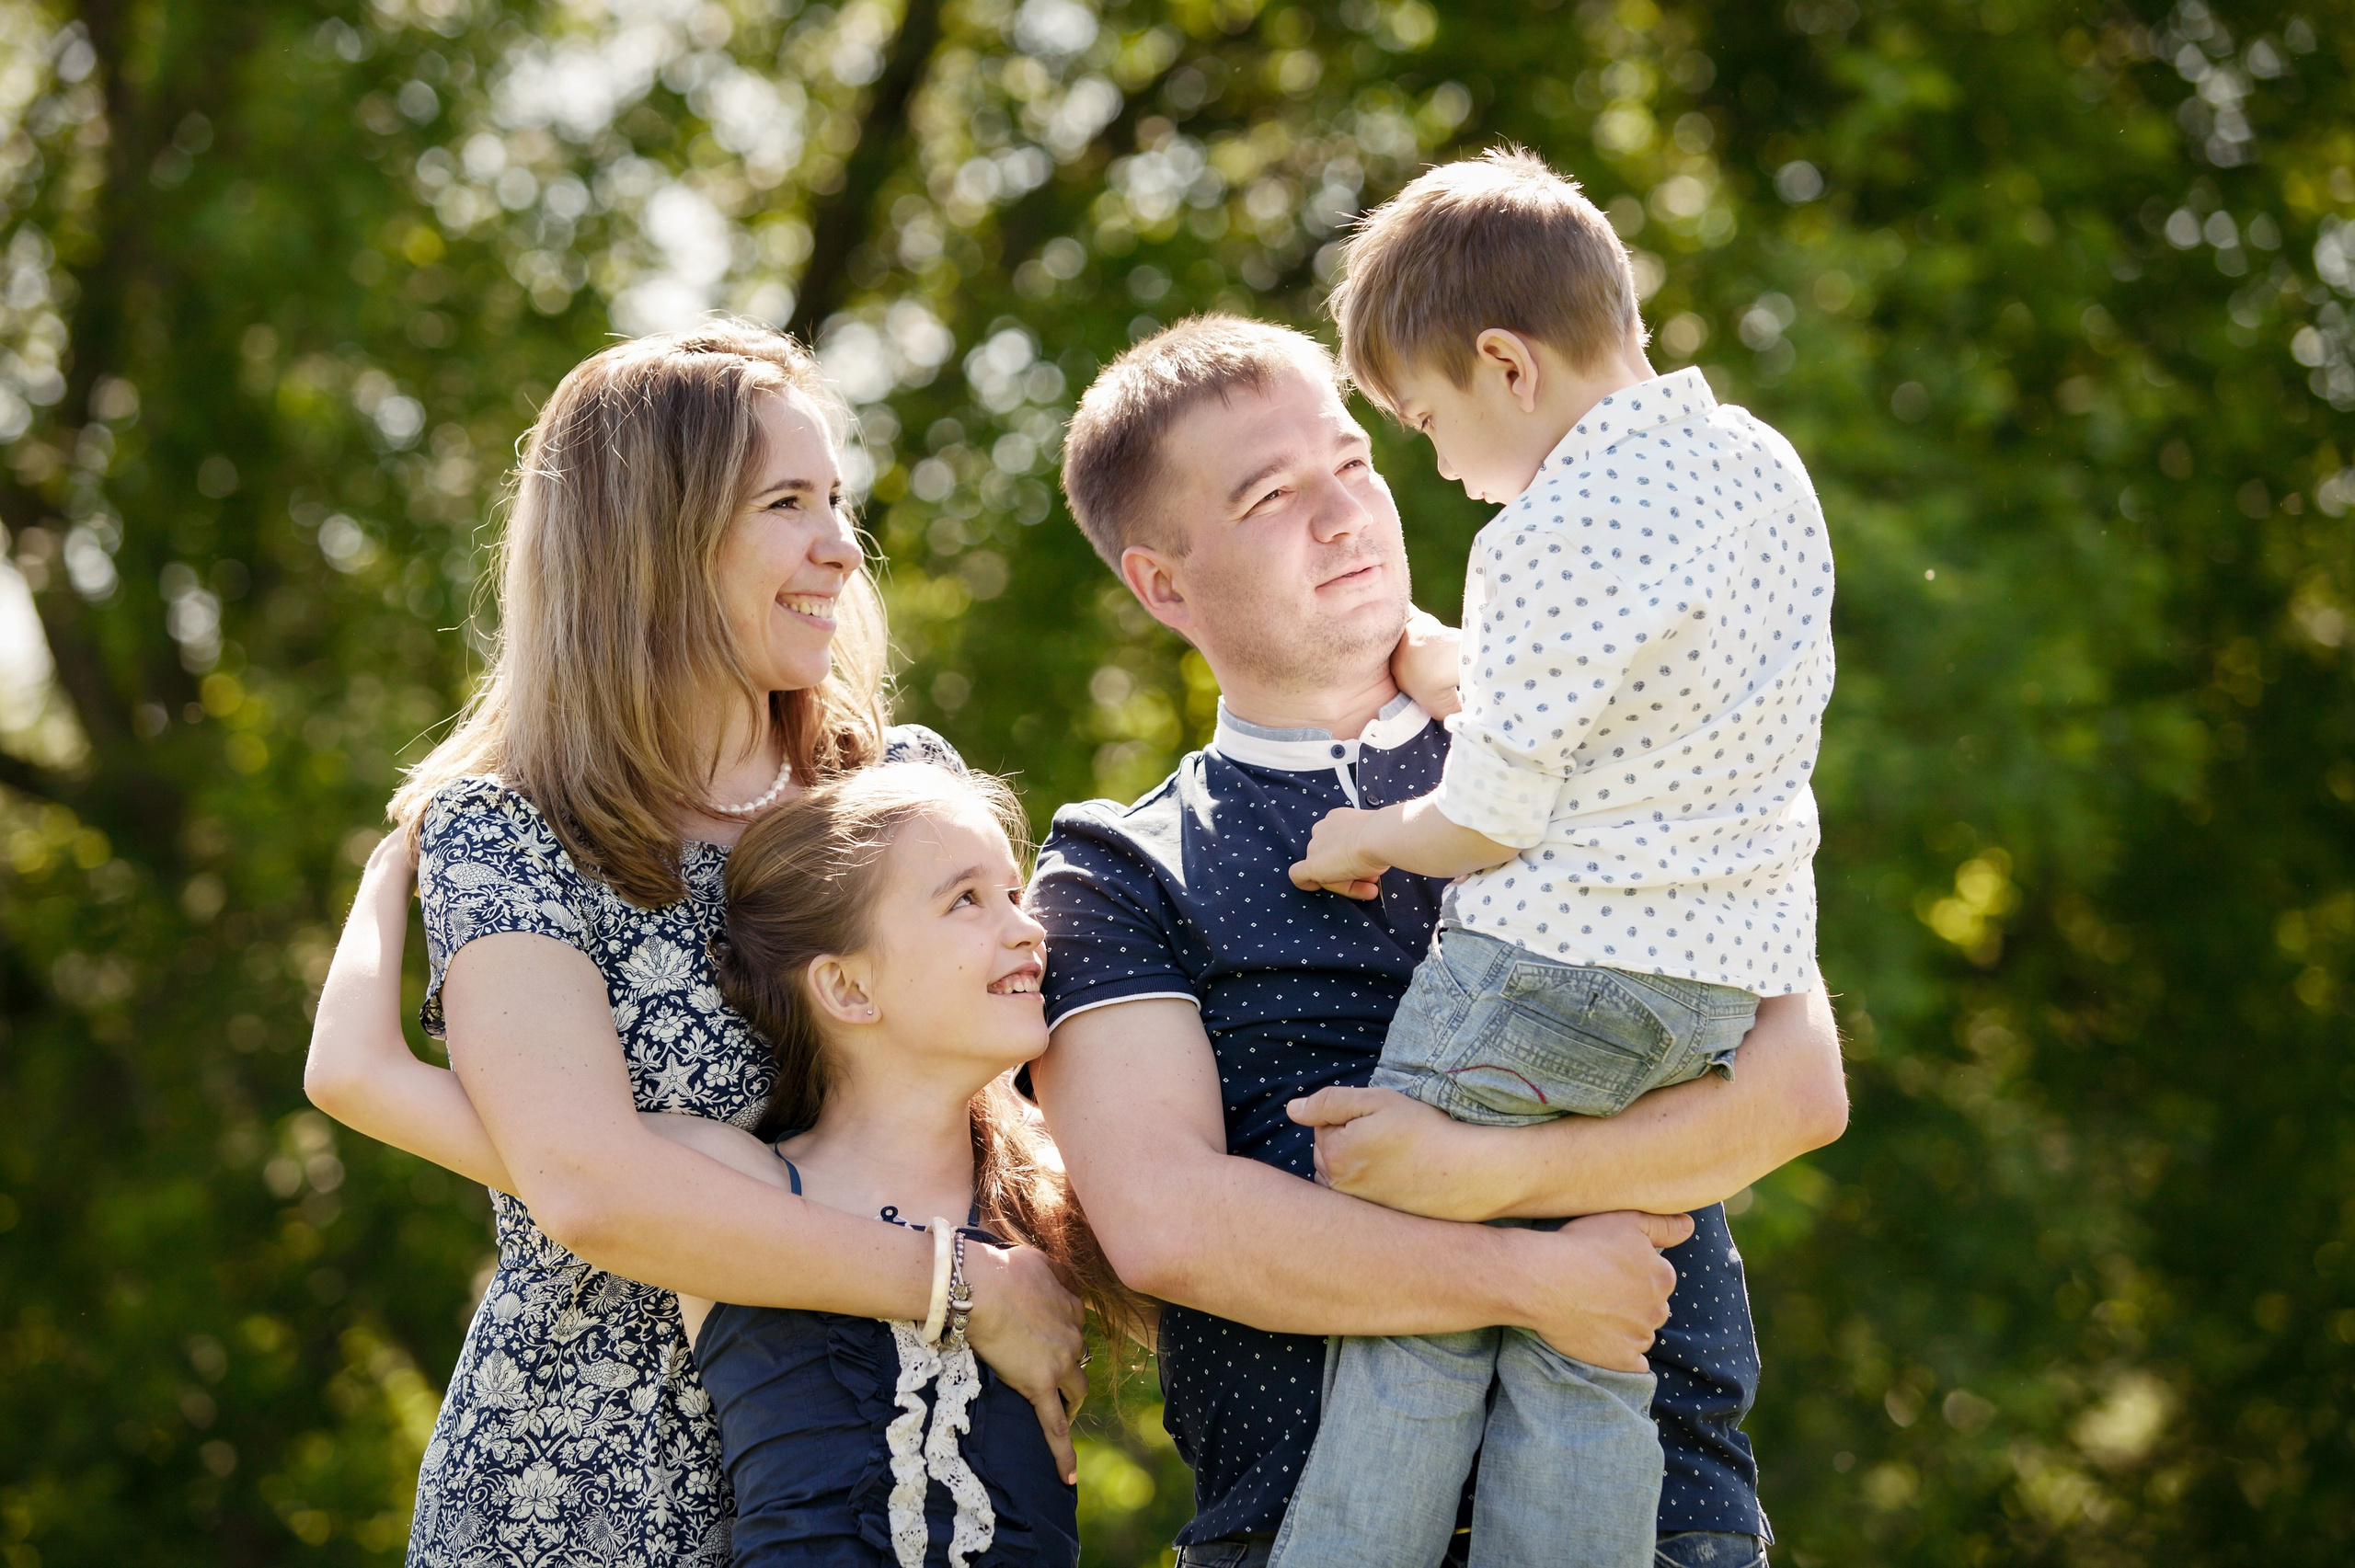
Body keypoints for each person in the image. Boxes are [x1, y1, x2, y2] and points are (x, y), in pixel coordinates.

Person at [1027, 312, 1848, 1568]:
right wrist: (1525, 1277)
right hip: (1298, 1527)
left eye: (1353, 462)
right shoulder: (1117, 867)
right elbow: (1170, 1224)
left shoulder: (1599, 740)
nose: (1344, 515)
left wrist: (1480, 1174)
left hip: (1662, 1522)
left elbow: (1795, 1090)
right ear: (1163, 583)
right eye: (1270, 496)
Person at [303, 321, 1086, 1567]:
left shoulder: (896, 787)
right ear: (651, 541)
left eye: (836, 500)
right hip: (585, 1493)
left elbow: (1034, 1088)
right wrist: (958, 1285)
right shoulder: (516, 832)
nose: (843, 547)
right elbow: (591, 1187)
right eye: (786, 503)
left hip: (877, 1480)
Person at [1272, 151, 1834, 1568]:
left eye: (1426, 422)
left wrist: (1366, 835)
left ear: (1506, 366)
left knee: (1414, 1305)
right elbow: (1639, 710)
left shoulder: (1543, 532)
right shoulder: (1759, 469)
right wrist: (1464, 671)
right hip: (1705, 1000)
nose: (1440, 467)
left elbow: (1493, 820)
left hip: (1543, 977)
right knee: (1585, 1344)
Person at [327, 761, 1147, 1568]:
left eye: (1015, 893)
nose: (1028, 928)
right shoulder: (730, 1181)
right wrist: (396, 860)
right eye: (966, 899)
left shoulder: (1055, 1194)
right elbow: (353, 1070)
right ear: (848, 987)